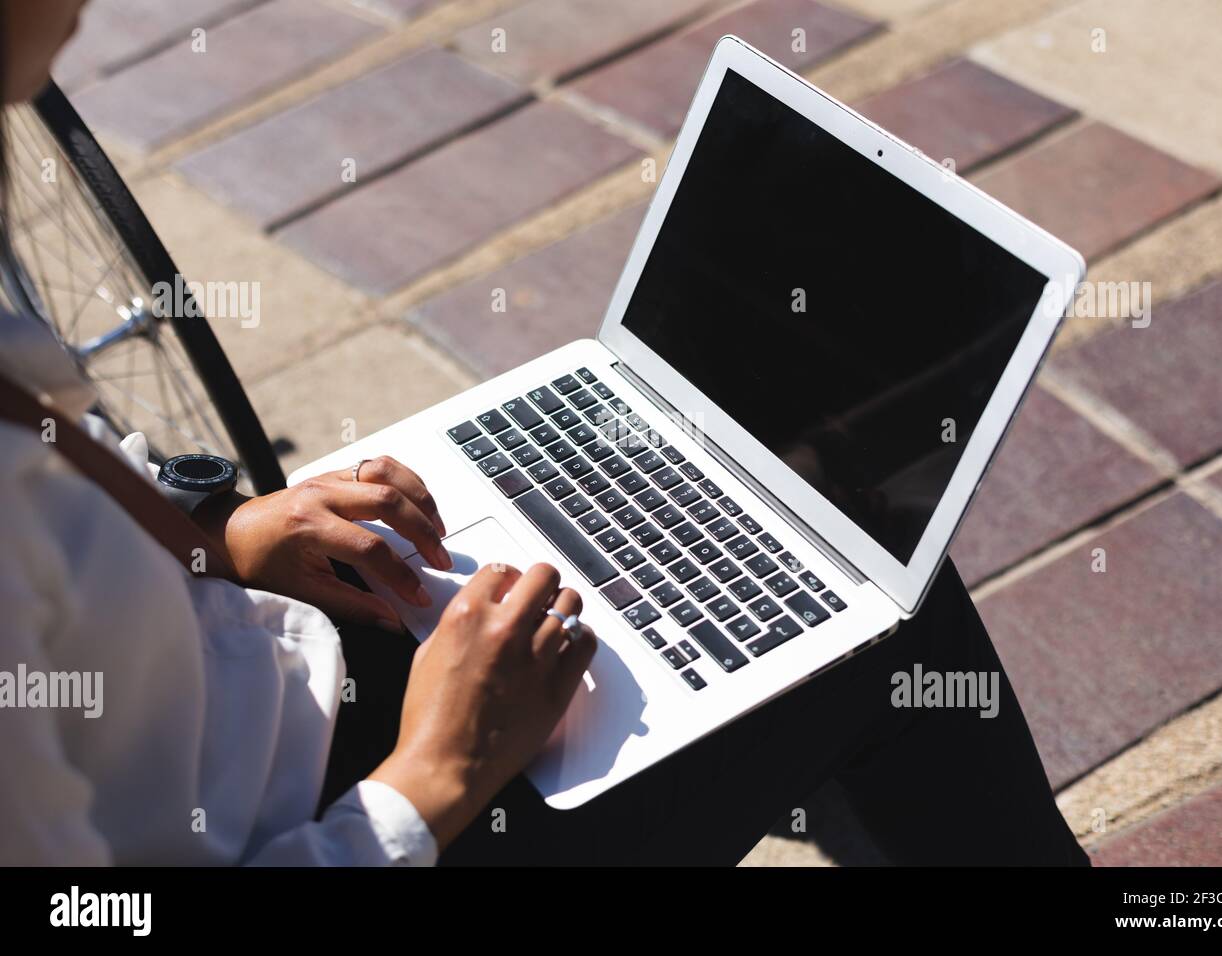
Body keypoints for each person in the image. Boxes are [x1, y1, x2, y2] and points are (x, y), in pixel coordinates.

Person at [0, 0, 1087, 866]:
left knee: (791, 561)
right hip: (340, 821)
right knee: (884, 626)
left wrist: (222, 534)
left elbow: (65, 483)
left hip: (255, 699)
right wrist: (433, 777)